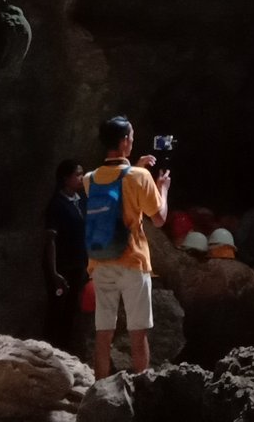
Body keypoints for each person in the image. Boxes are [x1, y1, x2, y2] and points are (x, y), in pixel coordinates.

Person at [88, 116, 170, 379]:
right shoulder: (140, 177)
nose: (133, 141)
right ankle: (142, 392)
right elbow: (159, 219)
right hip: (133, 261)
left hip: (100, 263)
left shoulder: (91, 179)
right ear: (124, 141)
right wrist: (162, 189)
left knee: (103, 333)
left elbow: (117, 185)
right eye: (131, 137)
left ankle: (98, 392)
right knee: (138, 332)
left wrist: (136, 168)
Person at [42, 160, 88, 354]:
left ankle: (66, 352)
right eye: (77, 174)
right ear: (65, 178)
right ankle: (49, 351)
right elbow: (50, 240)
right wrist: (53, 271)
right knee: (57, 309)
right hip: (62, 265)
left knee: (71, 310)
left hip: (79, 263)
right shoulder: (57, 204)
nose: (81, 178)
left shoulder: (82, 200)